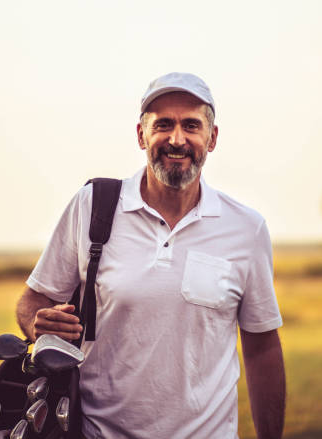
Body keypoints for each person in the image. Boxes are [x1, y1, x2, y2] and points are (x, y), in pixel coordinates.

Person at [16, 72, 286, 439]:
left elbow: (261, 348)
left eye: (191, 125)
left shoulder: (246, 228)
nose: (177, 139)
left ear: (212, 138)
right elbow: (32, 302)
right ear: (141, 135)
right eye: (163, 125)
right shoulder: (94, 207)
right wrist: (39, 325)